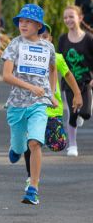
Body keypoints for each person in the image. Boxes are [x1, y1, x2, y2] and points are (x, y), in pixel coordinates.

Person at [1, 4, 57, 205]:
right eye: (21, 21)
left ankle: (33, 187)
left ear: (38, 25)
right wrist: (30, 87)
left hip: (39, 103)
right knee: (19, 145)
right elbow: (6, 76)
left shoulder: (48, 47)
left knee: (34, 142)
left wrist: (52, 93)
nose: (23, 25)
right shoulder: (15, 45)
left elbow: (52, 69)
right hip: (17, 104)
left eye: (28, 21)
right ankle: (15, 148)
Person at [24, 26, 81, 185]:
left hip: (53, 109)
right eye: (38, 36)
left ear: (50, 39)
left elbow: (68, 75)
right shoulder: (27, 57)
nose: (41, 39)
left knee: (59, 144)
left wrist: (77, 94)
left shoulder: (57, 58)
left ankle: (41, 137)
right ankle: (31, 177)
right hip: (32, 107)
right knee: (32, 142)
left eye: (45, 36)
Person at [57, 5, 93, 157]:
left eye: (71, 16)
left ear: (80, 18)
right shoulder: (63, 39)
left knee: (85, 114)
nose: (68, 20)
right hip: (69, 84)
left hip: (86, 83)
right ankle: (72, 145)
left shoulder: (89, 39)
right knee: (72, 113)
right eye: (65, 17)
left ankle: (82, 112)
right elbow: (58, 61)